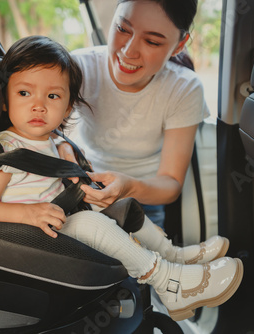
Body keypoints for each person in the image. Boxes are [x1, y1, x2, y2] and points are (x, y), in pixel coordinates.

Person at [0, 35, 243, 321]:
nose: (39, 105)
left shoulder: (53, 142)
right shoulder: (6, 150)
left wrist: (66, 153)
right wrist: (28, 213)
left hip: (58, 216)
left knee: (119, 203)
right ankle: (169, 281)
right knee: (91, 222)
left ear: (67, 106)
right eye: (24, 93)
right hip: (32, 234)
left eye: (52, 96)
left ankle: (171, 254)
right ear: (4, 100)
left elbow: (58, 159)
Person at [58, 0, 207, 229]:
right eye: (122, 29)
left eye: (152, 41)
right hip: (80, 191)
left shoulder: (184, 88)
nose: (128, 51)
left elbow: (171, 184)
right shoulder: (80, 67)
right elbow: (43, 131)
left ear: (179, 45)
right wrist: (61, 145)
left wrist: (128, 187)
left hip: (142, 203)